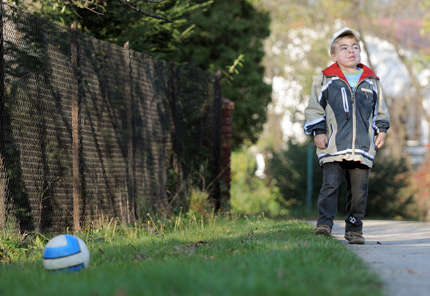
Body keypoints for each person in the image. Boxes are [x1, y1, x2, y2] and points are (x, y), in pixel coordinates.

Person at [303, 27, 390, 244]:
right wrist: (318, 132)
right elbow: (314, 108)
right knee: (330, 185)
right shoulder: (325, 79)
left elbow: (381, 109)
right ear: (334, 55)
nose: (351, 51)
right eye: (344, 48)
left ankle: (354, 229)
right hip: (332, 145)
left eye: (355, 47)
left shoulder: (371, 81)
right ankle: (324, 223)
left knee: (359, 191)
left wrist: (382, 130)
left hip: (362, 147)